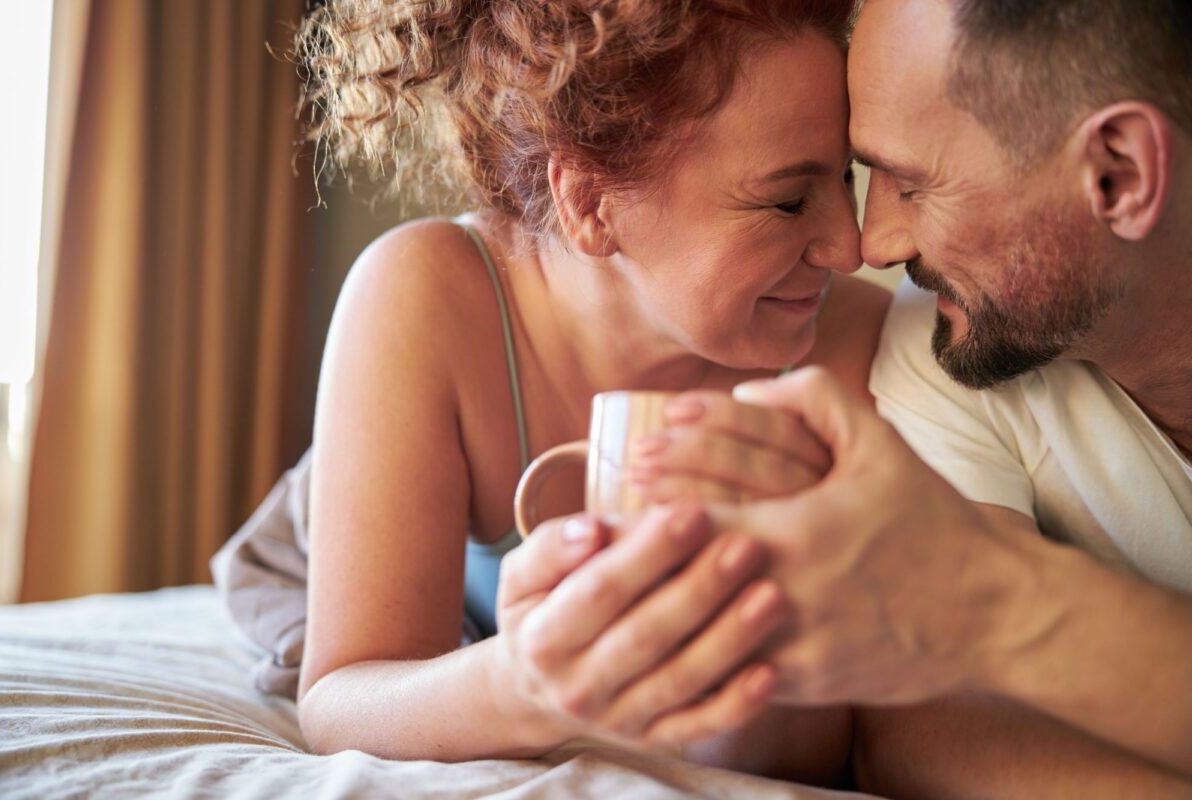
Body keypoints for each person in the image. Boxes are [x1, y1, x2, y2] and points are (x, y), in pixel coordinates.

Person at [549, 0, 1192, 795]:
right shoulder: (949, 344)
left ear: (1119, 174)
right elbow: (934, 734)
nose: (872, 245)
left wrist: (990, 589)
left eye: (912, 184)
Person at [291, 0, 888, 783]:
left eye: (846, 177)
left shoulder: (848, 350)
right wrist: (527, 685)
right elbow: (341, 695)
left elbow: (805, 761)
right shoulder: (428, 298)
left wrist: (754, 637)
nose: (852, 246)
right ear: (589, 203)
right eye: (786, 200)